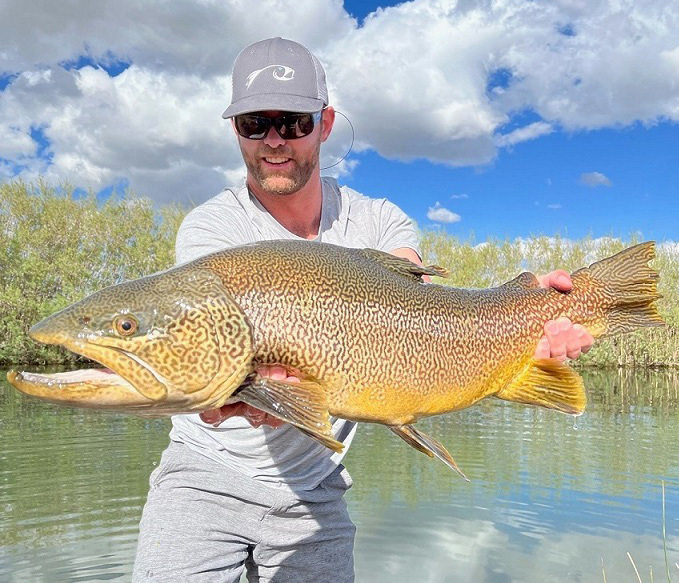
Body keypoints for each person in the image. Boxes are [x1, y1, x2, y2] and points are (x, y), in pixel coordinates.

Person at [132, 37, 594, 582]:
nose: (275, 141)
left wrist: (526, 308)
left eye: (294, 122)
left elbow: (421, 312)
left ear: (324, 124)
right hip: (202, 478)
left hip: (315, 490)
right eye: (256, 123)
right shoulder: (212, 230)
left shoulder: (379, 222)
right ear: (235, 129)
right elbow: (196, 356)